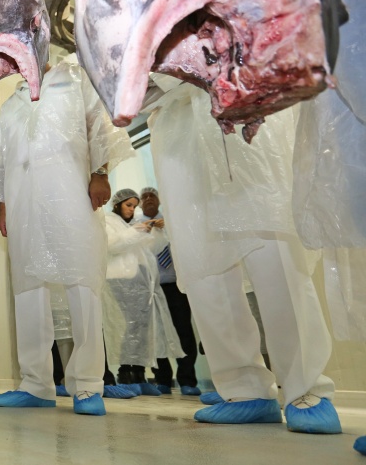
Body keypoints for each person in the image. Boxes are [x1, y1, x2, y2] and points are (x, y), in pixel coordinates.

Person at [146, 79, 340, 433]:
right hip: (178, 132)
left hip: (244, 105)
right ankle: (243, 389)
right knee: (203, 264)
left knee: (273, 250)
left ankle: (306, 388)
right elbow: (120, 83)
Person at [0, 56, 134, 415]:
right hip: (22, 202)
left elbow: (98, 124)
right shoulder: (12, 101)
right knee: (28, 287)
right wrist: (3, 204)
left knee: (81, 281)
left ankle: (88, 384)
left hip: (70, 193)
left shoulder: (77, 79)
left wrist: (100, 172)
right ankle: (36, 383)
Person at [103, 189, 184, 396]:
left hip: (140, 281)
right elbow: (112, 245)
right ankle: (125, 373)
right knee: (130, 325)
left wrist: (156, 232)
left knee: (142, 326)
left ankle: (139, 374)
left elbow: (152, 249)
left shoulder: (132, 224)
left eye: (134, 206)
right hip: (120, 279)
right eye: (128, 205)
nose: (132, 209)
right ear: (117, 204)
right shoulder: (108, 220)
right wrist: (137, 230)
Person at [134, 187, 201, 396]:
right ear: (140, 203)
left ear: (159, 200)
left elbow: (188, 242)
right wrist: (141, 233)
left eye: (152, 196)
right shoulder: (135, 226)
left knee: (183, 332)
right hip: (150, 288)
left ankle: (187, 380)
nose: (148, 199)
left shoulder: (173, 221)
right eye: (144, 197)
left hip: (175, 286)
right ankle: (162, 379)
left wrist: (170, 228)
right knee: (156, 333)